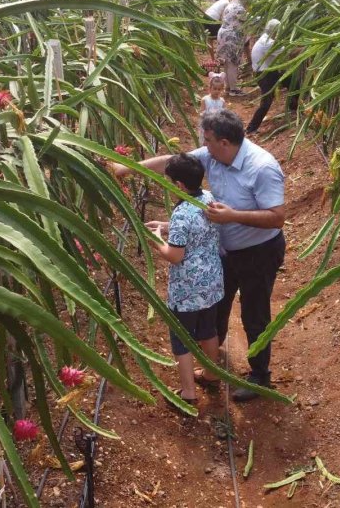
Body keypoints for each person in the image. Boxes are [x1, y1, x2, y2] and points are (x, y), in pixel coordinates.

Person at [114, 109, 286, 401]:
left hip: (260, 251)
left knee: (254, 314)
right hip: (224, 251)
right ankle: (212, 368)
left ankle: (260, 376)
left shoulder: (262, 167)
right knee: (216, 307)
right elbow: (173, 162)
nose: (203, 146)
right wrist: (126, 169)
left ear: (224, 142)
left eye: (207, 140)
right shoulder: (213, 156)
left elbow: (277, 217)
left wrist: (233, 215)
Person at [147, 154, 223, 412]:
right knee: (208, 330)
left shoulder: (182, 213)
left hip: (187, 290)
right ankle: (212, 375)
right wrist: (166, 226)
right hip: (211, 283)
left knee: (182, 339)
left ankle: (188, 393)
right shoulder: (208, 198)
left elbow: (174, 255)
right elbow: (197, 226)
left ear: (178, 185)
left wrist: (157, 238)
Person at [246, 19, 299, 135]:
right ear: (275, 31)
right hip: (264, 74)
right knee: (266, 102)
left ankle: (293, 108)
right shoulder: (268, 43)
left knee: (291, 81)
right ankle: (251, 128)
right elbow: (289, 52)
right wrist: (306, 47)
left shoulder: (266, 38)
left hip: (267, 71)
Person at [216, 0, 249, 96]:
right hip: (232, 38)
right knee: (233, 64)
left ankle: (228, 87)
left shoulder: (229, 5)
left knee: (227, 63)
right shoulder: (239, 8)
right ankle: (234, 90)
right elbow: (248, 21)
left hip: (223, 35)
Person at [199, 73, 227, 140]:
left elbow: (224, 114)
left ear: (222, 89)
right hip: (207, 126)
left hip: (218, 127)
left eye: (219, 89)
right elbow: (201, 114)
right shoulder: (205, 100)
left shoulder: (222, 102)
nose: (217, 91)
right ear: (210, 88)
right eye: (215, 89)